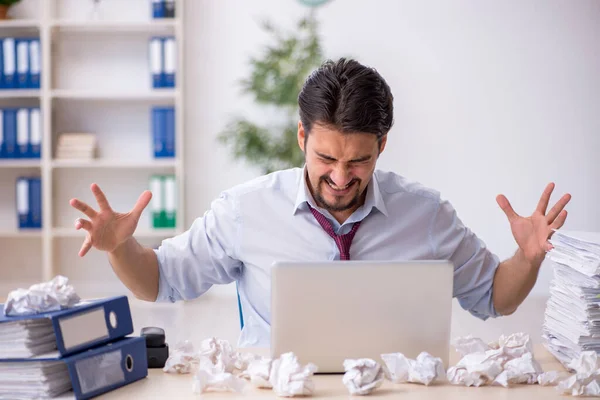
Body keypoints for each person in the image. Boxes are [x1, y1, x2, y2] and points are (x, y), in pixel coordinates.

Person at [70, 58, 571, 347]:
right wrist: (121, 248)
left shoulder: (426, 214)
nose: (339, 177)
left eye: (359, 161)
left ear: (383, 145)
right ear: (301, 137)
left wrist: (526, 260)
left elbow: (494, 299)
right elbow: (159, 281)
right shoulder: (245, 209)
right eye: (325, 157)